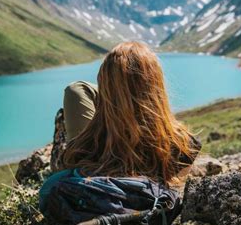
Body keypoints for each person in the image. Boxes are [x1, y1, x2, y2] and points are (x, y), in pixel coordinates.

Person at [60, 41, 200, 184]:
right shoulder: (186, 146)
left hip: (88, 184)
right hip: (148, 198)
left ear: (104, 82)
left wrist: (116, 92)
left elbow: (70, 163)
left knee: (77, 89)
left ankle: (119, 85)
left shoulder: (87, 144)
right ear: (157, 84)